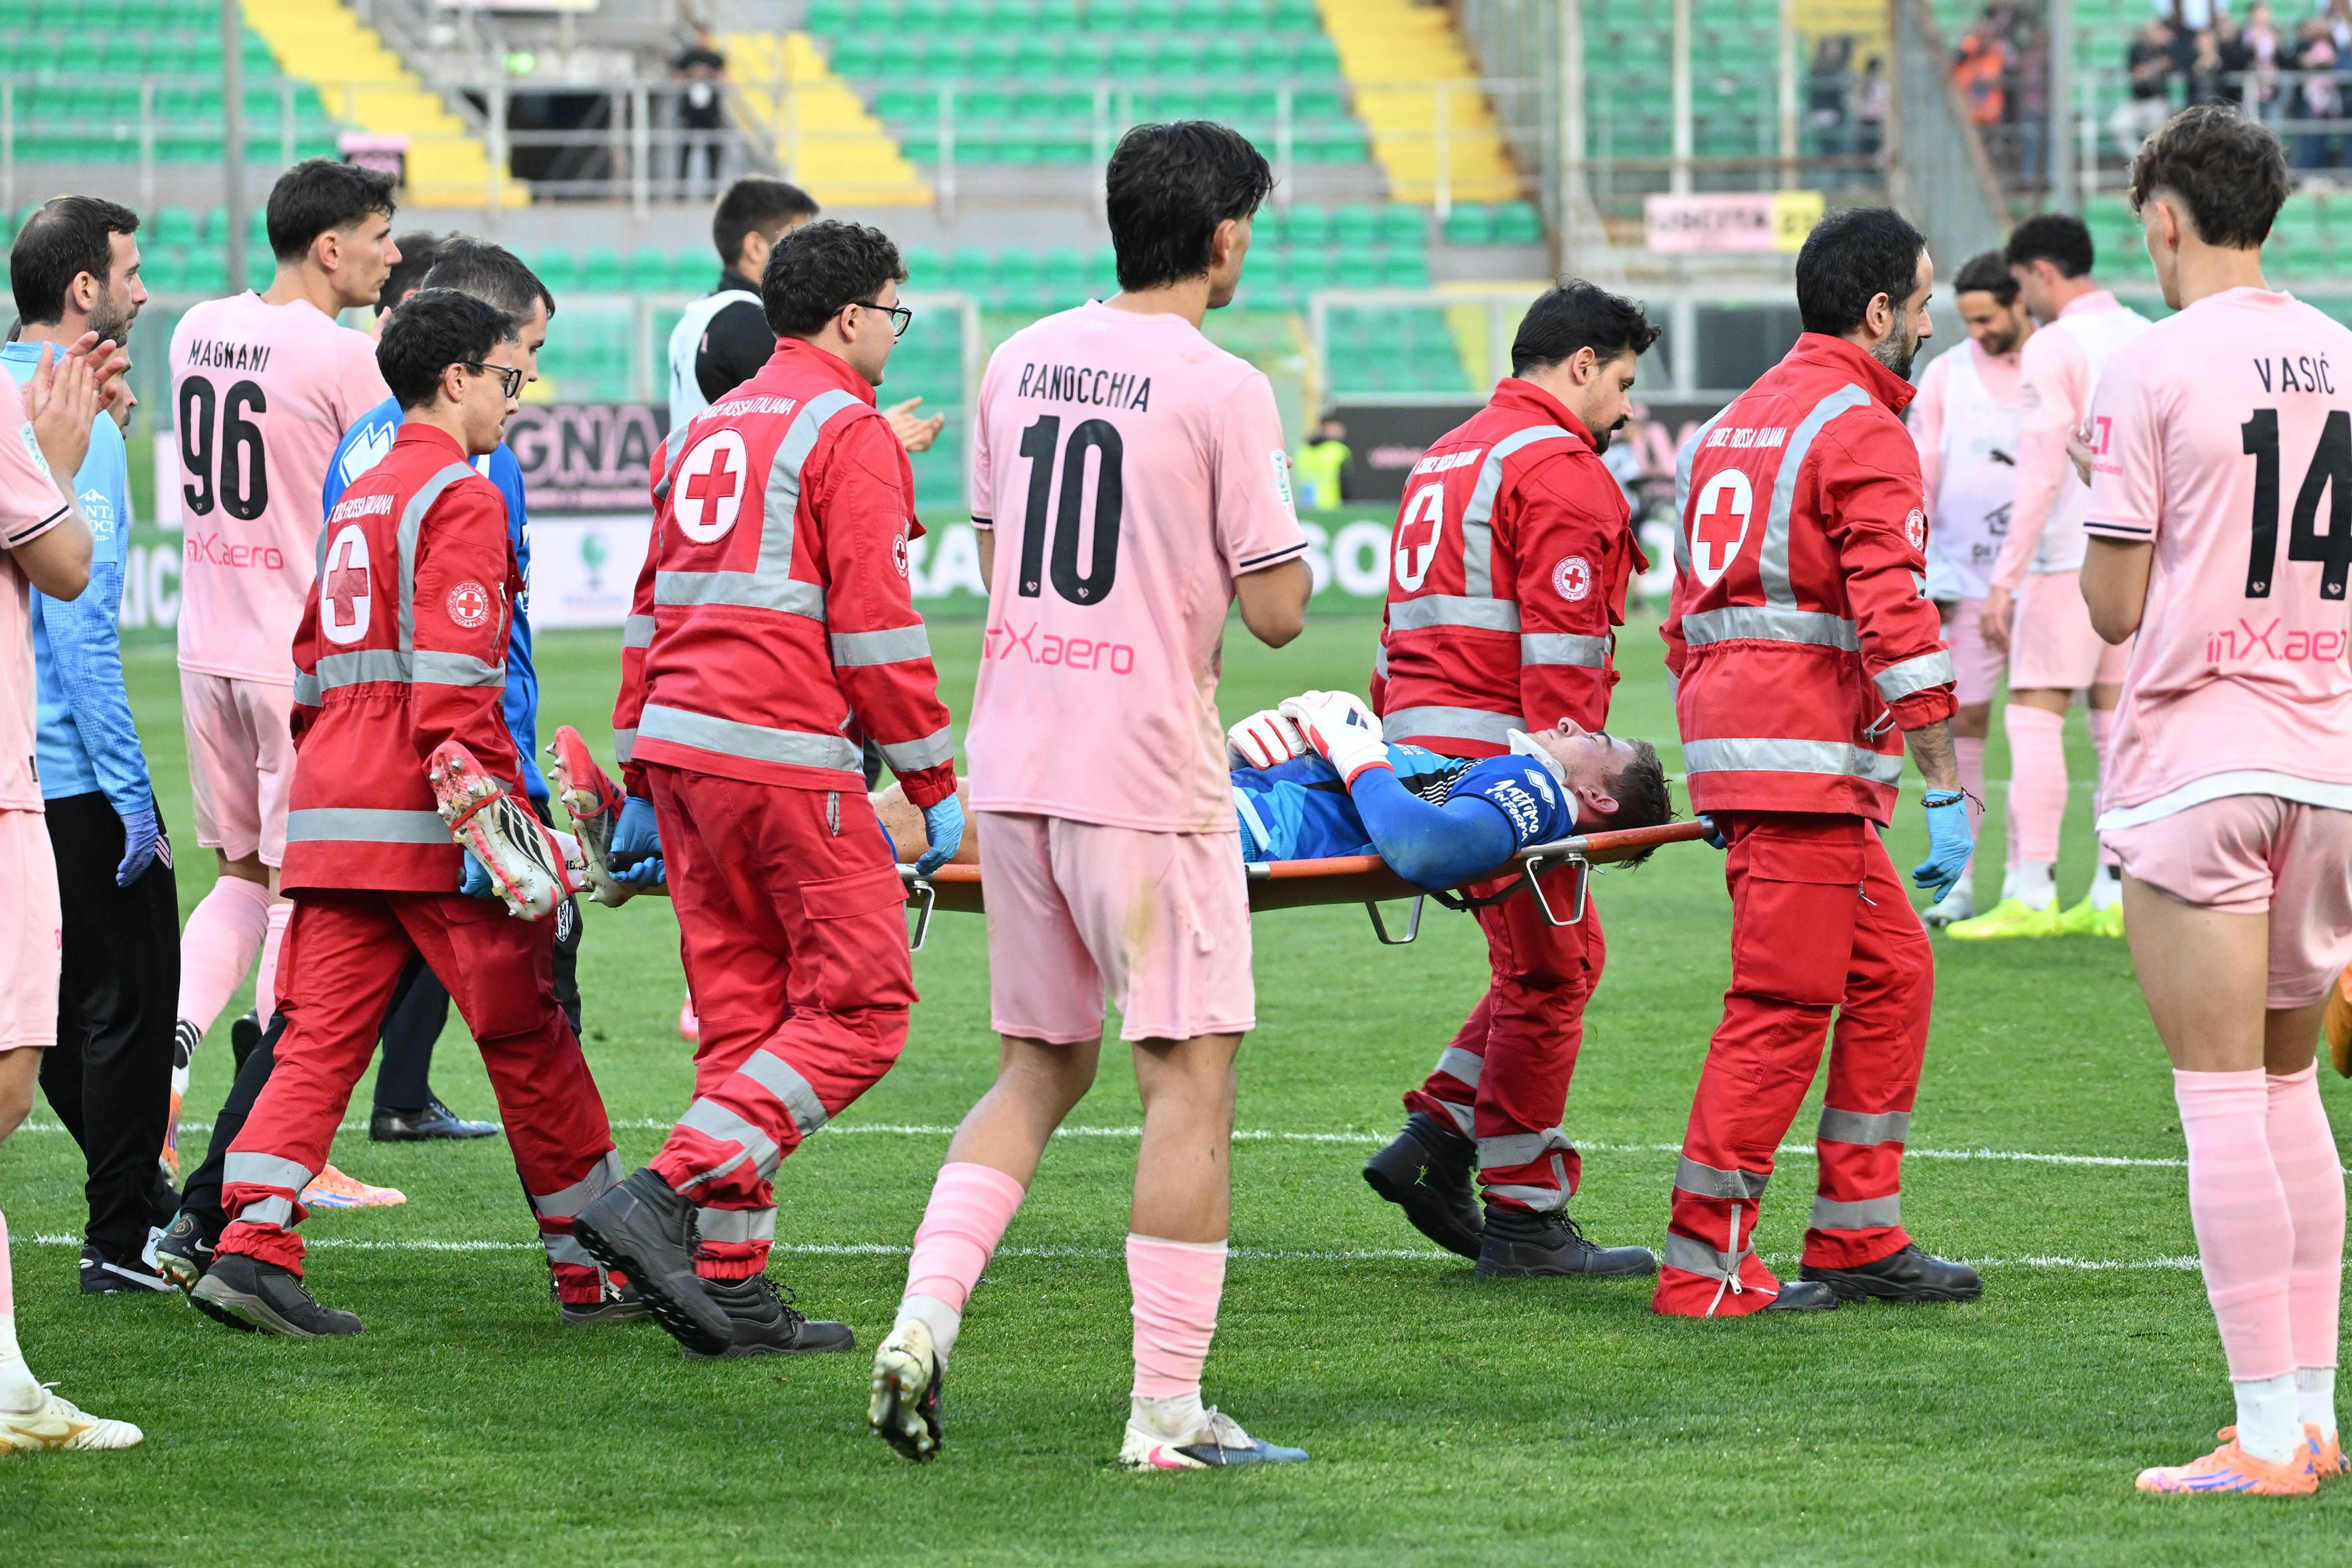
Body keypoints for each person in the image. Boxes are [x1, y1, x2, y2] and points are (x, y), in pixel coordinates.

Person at [862, 120, 1312, 1472]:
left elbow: (1000, 554)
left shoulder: (1014, 360)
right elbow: (1281, 609)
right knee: (1186, 1078)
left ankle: (921, 1319)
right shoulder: (1220, 383)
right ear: (1225, 235)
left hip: (1016, 762)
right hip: (1142, 770)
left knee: (1037, 1062)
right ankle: (1164, 1411)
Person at [185, 290, 624, 1338]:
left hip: (335, 804)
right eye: (509, 377)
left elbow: (308, 664)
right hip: (426, 813)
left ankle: (248, 1245)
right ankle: (593, 1266)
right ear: (458, 378)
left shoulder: (362, 491)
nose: (517, 399)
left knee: (320, 1039)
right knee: (529, 1035)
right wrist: (499, 819)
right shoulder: (460, 497)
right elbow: (455, 689)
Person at [578, 218, 965, 1360]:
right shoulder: (847, 430)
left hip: (688, 758)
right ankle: (662, 1193)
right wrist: (931, 779)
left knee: (746, 1019)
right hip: (785, 758)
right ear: (849, 316)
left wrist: (643, 770)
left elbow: (647, 613)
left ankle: (730, 1278)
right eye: (892, 312)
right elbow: (876, 625)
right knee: (862, 1007)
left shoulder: (702, 435)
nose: (894, 332)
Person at [2078, 104, 2351, 1498]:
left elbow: (2113, 604)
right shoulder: (2347, 356)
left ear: (2165, 221)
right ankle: (2307, 1414)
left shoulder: (2147, 360)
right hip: (2332, 759)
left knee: (2215, 1097)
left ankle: (2259, 1433)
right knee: (2290, 1084)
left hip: (2205, 753)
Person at [1656, 204, 1980, 1318]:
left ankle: (1855, 1232)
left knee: (1890, 977)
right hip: (1802, 763)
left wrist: (1714, 760)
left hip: (1754, 752)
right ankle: (1703, 1266)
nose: (1931, 322)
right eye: (1924, 300)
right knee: (1781, 1003)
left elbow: (1683, 608)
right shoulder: (1861, 427)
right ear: (1877, 309)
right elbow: (1895, 616)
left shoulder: (1738, 418)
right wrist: (1944, 782)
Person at [1354, 281, 1665, 1281]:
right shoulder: (1562, 471)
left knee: (1556, 963)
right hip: (1508, 768)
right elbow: (1567, 685)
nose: (1625, 409)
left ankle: (1436, 1135)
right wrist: (1568, 804)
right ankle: (1525, 1213)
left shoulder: (1449, 452)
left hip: (1424, 757)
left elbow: (1399, 631)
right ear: (1580, 365)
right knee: (1551, 972)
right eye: (1619, 382)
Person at [165, 159, 400, 1182]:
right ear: (330, 246)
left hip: (204, 641)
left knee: (238, 880)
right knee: (305, 903)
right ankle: (275, 1141)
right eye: (381, 233)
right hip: (296, 660)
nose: (393, 254)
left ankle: (163, 1073)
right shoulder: (345, 356)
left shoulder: (189, 327)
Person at [5, 197, 179, 1294]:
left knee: (58, 1014)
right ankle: (123, 1236)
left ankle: (135, 1207)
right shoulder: (67, 416)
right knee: (132, 1002)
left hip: (23, 764)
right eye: (130, 269)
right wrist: (130, 789)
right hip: (64, 769)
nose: (143, 289)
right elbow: (79, 618)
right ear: (85, 290)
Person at [0, 331, 145, 1449]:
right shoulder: (18, 411)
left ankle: (7, 1385)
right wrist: (52, 458)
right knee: (10, 1078)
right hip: (20, 785)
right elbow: (68, 565)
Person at [1950, 214, 2148, 941]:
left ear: (2038, 272)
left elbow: (2038, 475)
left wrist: (2004, 581)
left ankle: (2032, 890)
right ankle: (2113, 889)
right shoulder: (2143, 333)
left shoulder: (2055, 344)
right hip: (2141, 558)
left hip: (2067, 559)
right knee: (2114, 728)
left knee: (2033, 719)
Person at [871, 706, 1674, 879]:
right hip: (1231, 802)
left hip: (1230, 826)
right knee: (980, 794)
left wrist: (1357, 755)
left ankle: (826, 849)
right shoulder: (1507, 781)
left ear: (1598, 801)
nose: (1572, 723)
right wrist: (1299, 738)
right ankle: (835, 842)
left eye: (1597, 738)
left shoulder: (1534, 787)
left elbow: (1429, 850)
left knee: (954, 807)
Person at [1905, 248, 2034, 927]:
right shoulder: (1949, 376)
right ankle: (1961, 883)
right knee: (1965, 730)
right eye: (1967, 320)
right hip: (1967, 584)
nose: (1977, 331)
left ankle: (2040, 880)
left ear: (2022, 302)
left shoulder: (2060, 366)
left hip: (2049, 584)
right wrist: (1925, 573)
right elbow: (1917, 484)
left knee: (2058, 725)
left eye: (1988, 318)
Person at [671, 24, 729, 198]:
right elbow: (675, 77)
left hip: (710, 113)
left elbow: (725, 79)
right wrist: (692, 74)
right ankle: (680, 193)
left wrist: (708, 74)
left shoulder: (716, 58)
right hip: (690, 113)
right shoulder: (686, 57)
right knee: (685, 151)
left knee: (713, 152)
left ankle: (712, 193)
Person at [1292, 413, 1349, 512]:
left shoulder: (1302, 450)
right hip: (1331, 507)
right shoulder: (1339, 450)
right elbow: (1345, 483)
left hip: (1304, 506)